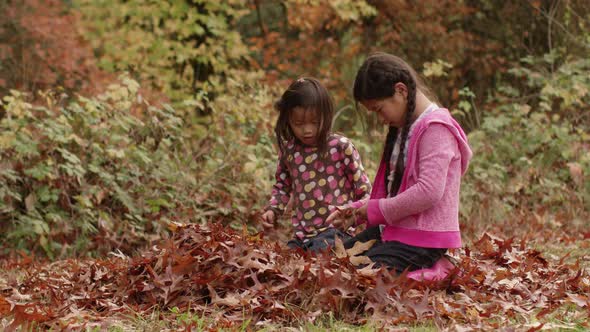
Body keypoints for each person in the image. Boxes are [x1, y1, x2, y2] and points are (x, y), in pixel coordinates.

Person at [328, 52, 472, 274]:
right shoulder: (404, 128)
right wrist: (355, 210)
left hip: (424, 239)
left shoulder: (436, 129)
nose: (381, 119)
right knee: (335, 262)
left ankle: (438, 270)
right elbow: (395, 193)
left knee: (363, 275)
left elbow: (428, 192)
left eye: (379, 109)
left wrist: (373, 210)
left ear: (401, 91)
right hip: (397, 229)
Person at [261, 77, 372, 252]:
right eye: (298, 123)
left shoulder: (340, 147)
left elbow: (365, 191)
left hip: (336, 232)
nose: (307, 130)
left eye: (314, 122)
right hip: (301, 236)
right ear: (288, 120)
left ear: (326, 116)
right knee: (284, 259)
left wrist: (354, 215)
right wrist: (273, 210)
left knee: (318, 254)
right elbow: (282, 186)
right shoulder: (289, 151)